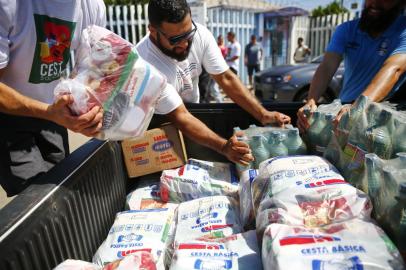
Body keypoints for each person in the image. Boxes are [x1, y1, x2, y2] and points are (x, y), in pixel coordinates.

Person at [0, 0, 106, 196]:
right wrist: (49, 112)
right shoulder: (9, 5)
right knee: (33, 198)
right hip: (8, 115)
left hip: (53, 112)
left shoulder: (92, 6)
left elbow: (89, 71)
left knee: (63, 188)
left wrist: (86, 113)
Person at [136, 0, 290, 121]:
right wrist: (223, 147)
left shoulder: (201, 34)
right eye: (176, 39)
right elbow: (180, 117)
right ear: (153, 31)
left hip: (192, 112)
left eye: (188, 34)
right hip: (160, 123)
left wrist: (262, 114)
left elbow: (226, 78)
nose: (184, 43)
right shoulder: (143, 62)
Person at [297, 0, 406, 132]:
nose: (375, 3)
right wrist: (311, 101)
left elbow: (394, 69)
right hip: (345, 107)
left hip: (383, 115)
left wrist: (359, 106)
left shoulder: (403, 30)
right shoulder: (347, 30)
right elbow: (327, 67)